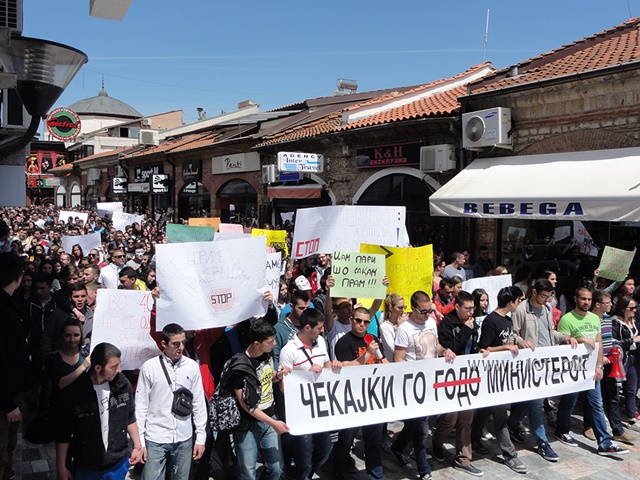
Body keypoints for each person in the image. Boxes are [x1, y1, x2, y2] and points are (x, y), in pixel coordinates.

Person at [507, 278, 579, 461]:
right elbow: (513, 334)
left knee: (530, 400)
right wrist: (522, 342)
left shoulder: (547, 309)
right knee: (537, 404)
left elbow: (549, 332)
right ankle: (542, 442)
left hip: (548, 362)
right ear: (534, 292)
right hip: (530, 363)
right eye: (544, 296)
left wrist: (565, 338)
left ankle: (512, 423)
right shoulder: (521, 310)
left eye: (549, 296)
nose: (547, 300)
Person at [554, 286, 629, 455]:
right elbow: (562, 345)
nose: (586, 302)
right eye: (583, 299)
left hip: (592, 371)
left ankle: (604, 442)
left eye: (588, 299)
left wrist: (599, 366)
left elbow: (599, 343)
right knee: (569, 402)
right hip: (573, 370)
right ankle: (561, 429)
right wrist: (579, 339)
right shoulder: (567, 319)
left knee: (597, 404)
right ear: (575, 299)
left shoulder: (595, 319)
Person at [390, 291, 454, 480]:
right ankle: (424, 470)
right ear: (413, 309)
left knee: (415, 423)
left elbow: (436, 347)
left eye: (429, 311)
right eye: (423, 312)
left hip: (431, 382)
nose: (427, 315)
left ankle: (398, 447)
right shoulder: (405, 330)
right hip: (413, 385)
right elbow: (398, 360)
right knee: (421, 428)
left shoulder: (432, 323)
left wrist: (446, 351)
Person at [55, 342, 142, 480]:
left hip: (117, 464)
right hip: (87, 467)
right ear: (97, 367)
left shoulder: (122, 384)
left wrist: (137, 446)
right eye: (114, 366)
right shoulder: (76, 392)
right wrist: (61, 467)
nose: (119, 370)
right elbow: (63, 433)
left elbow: (129, 416)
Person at [136, 323, 208, 480]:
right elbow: (141, 406)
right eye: (176, 343)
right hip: (155, 438)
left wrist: (201, 438)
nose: (181, 347)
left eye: (183, 342)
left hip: (184, 437)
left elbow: (198, 404)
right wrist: (140, 442)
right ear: (164, 344)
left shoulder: (191, 367)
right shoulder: (150, 367)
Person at [279, 309, 341, 480]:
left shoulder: (321, 341)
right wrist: (307, 372)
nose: (322, 331)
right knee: (304, 456)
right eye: (319, 327)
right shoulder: (288, 350)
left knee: (325, 449)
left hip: (321, 406)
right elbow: (284, 387)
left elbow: (327, 363)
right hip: (302, 411)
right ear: (307, 327)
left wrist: (333, 366)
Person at [476, 286, 530, 473]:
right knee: (500, 415)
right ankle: (510, 454)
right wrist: (506, 348)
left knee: (485, 410)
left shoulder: (507, 320)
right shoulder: (492, 320)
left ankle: (474, 438)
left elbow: (507, 343)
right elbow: (484, 349)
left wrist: (514, 345)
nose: (519, 304)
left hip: (504, 374)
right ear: (511, 301)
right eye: (518, 300)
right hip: (492, 375)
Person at [227, 320, 288, 480]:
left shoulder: (266, 354)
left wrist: (279, 375)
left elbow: (270, 376)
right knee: (248, 472)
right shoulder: (240, 366)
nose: (274, 344)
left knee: (276, 468)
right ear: (256, 343)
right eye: (270, 342)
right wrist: (273, 423)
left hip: (270, 417)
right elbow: (246, 404)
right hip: (248, 425)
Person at [332, 307, 387, 480]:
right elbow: (346, 368)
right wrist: (368, 353)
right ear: (351, 320)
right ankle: (337, 470)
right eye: (358, 320)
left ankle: (376, 475)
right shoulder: (343, 342)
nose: (362, 324)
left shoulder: (372, 339)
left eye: (365, 321)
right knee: (346, 439)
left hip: (373, 396)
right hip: (352, 398)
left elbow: (383, 361)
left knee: (374, 440)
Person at [433, 291, 483, 476]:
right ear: (457, 307)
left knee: (466, 418)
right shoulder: (447, 323)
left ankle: (463, 458)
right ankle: (437, 443)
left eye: (473, 308)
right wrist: (466, 330)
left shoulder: (473, 323)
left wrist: (480, 349)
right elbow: (451, 347)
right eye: (467, 308)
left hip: (468, 377)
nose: (471, 312)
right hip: (450, 377)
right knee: (450, 418)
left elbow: (473, 345)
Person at [584, 291, 634, 442]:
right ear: (598, 304)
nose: (611, 305)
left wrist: (615, 348)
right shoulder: (591, 319)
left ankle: (617, 429)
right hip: (595, 363)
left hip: (610, 362)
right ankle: (588, 426)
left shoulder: (607, 319)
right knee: (593, 398)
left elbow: (608, 340)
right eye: (607, 302)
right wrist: (600, 358)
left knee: (613, 396)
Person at [0, 253, 30, 480]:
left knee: (9, 448)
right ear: (18, 278)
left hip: (12, 391)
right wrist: (9, 403)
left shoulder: (10, 305)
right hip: (4, 399)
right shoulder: (3, 311)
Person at [611, 296, 640, 424]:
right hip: (622, 358)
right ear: (623, 309)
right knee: (616, 389)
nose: (635, 310)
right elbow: (615, 342)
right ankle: (613, 415)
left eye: (635, 308)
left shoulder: (634, 322)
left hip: (633, 356)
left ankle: (631, 414)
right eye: (632, 308)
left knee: (632, 387)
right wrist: (633, 340)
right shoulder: (616, 322)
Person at [379, 293, 408, 360]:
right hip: (394, 363)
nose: (403, 310)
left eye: (404, 307)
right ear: (391, 308)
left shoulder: (406, 322)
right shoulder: (385, 326)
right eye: (400, 308)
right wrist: (400, 328)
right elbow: (392, 349)